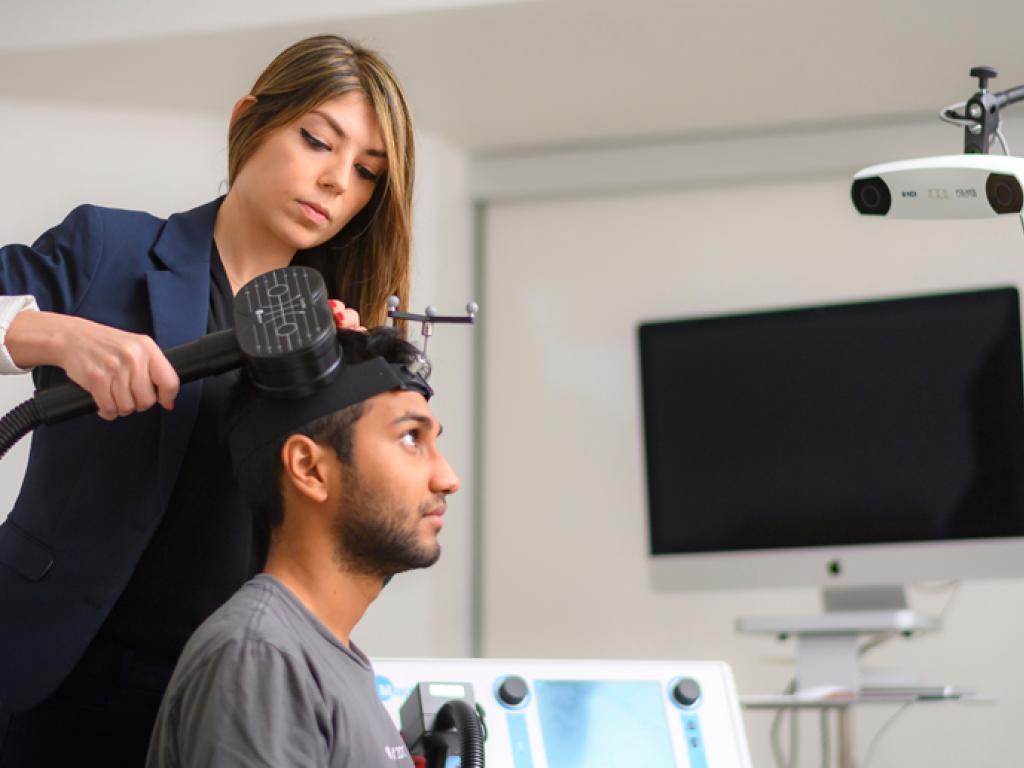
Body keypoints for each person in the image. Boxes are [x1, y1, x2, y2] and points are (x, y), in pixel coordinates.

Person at [0, 34, 415, 765]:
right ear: (248, 121)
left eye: (365, 175)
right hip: (46, 672)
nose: (335, 183)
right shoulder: (109, 249)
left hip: (227, 701)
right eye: (319, 141)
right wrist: (57, 337)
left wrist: (346, 404)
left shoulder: (331, 337)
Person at [146, 326, 458, 767]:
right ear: (309, 468)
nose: (448, 478)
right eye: (411, 438)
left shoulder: (323, 660)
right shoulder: (260, 659)